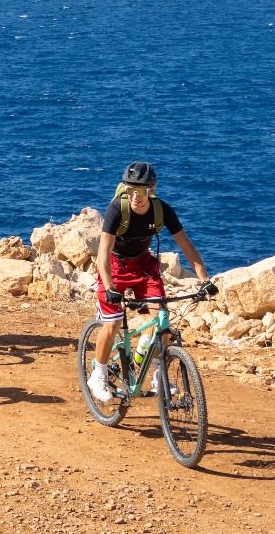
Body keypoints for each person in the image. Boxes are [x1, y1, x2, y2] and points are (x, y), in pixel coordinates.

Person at [85, 161, 214, 403]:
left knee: (162, 321)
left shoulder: (162, 210)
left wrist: (204, 280)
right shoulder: (117, 208)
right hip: (115, 266)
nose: (135, 195)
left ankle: (158, 373)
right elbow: (103, 253)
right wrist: (110, 286)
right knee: (112, 324)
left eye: (141, 190)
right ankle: (98, 374)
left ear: (152, 189)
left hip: (144, 265)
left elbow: (186, 245)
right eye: (130, 188)